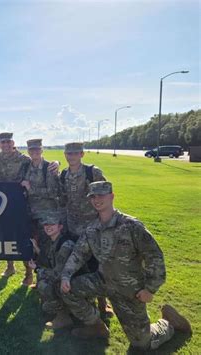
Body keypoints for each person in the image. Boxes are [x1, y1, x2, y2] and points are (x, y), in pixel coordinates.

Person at [60, 181, 192, 350]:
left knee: (142, 344)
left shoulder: (131, 226)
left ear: (112, 196)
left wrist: (150, 289)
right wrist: (66, 276)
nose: (97, 199)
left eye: (101, 195)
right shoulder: (92, 229)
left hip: (130, 291)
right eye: (93, 196)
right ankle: (95, 326)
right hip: (103, 281)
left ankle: (168, 323)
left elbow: (155, 256)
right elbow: (78, 254)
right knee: (68, 289)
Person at [0, 132, 59, 286]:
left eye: (8, 142)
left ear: (13, 143)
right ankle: (10, 267)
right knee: (8, 237)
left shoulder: (24, 160)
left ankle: (29, 274)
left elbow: (44, 168)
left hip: (23, 206)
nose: (6, 145)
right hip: (4, 205)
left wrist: (56, 162)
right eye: (3, 142)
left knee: (28, 239)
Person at [59, 142, 113, 317]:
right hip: (73, 227)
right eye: (68, 153)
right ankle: (81, 299)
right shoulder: (64, 175)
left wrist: (106, 221)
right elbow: (63, 199)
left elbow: (106, 197)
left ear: (82, 154)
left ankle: (103, 303)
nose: (71, 156)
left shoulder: (92, 172)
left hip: (93, 227)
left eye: (75, 153)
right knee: (78, 263)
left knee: (97, 263)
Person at [21, 138, 61, 287]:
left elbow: (52, 192)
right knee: (31, 245)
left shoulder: (48, 168)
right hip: (30, 214)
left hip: (46, 216)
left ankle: (45, 280)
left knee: (46, 248)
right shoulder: (26, 166)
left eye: (37, 149)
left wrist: (31, 189)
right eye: (31, 150)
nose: (34, 152)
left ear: (42, 150)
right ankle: (30, 276)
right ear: (28, 151)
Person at [28, 212, 76, 329]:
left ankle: (63, 317)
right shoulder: (53, 241)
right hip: (67, 281)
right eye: (46, 225)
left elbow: (57, 274)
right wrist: (36, 248)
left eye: (52, 224)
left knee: (44, 284)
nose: (48, 227)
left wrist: (37, 269)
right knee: (46, 307)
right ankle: (67, 308)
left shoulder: (65, 244)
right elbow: (49, 260)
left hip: (73, 283)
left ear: (60, 226)